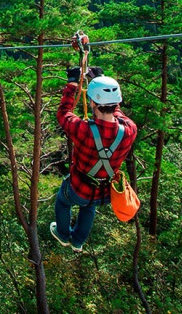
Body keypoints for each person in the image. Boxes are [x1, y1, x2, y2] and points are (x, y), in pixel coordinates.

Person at [51, 68, 137, 252]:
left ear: (92, 103)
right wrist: (100, 79)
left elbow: (63, 113)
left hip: (78, 188)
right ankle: (78, 242)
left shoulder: (84, 130)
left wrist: (72, 84)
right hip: (103, 193)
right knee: (89, 207)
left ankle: (63, 235)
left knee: (63, 201)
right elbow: (117, 114)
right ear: (117, 102)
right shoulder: (130, 130)